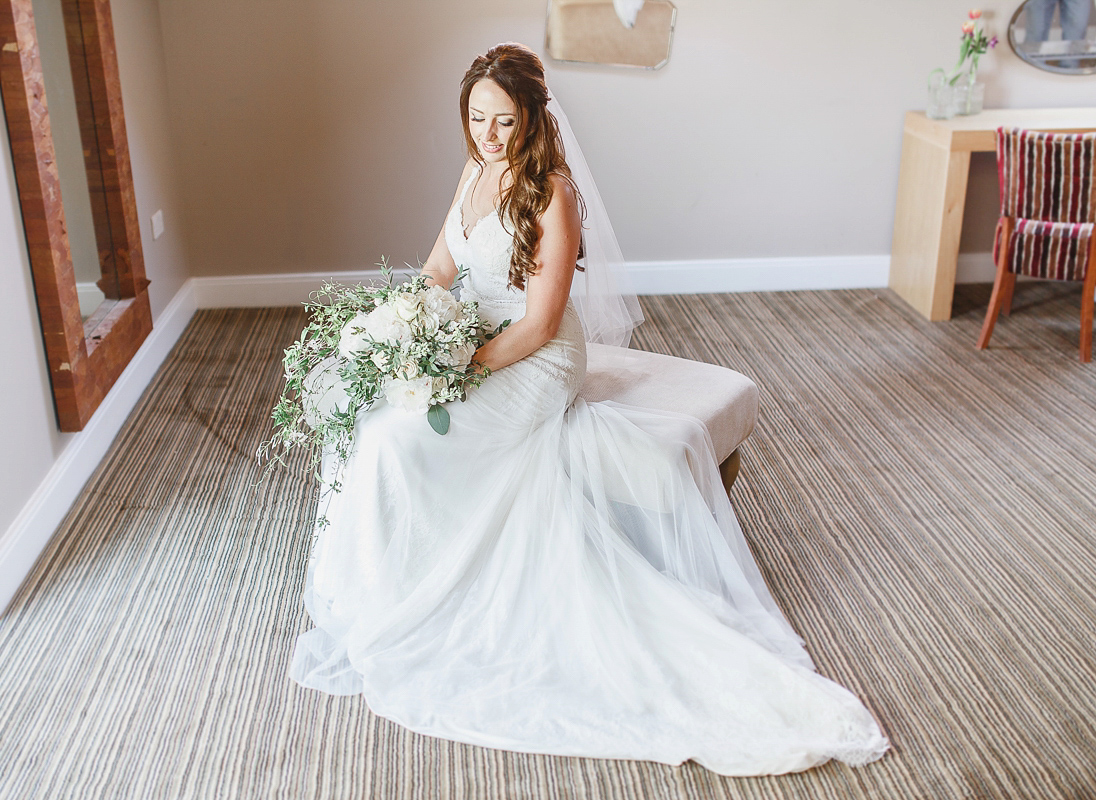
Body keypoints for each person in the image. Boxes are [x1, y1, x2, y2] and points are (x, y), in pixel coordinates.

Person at [289, 43, 889, 776]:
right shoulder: (473, 173)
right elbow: (440, 268)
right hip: (468, 339)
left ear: (533, 118)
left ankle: (443, 591)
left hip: (536, 359)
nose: (488, 135)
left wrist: (455, 366)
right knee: (375, 425)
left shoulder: (552, 193)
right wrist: (406, 329)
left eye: (504, 121)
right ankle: (400, 585)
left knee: (402, 443)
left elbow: (541, 323)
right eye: (477, 118)